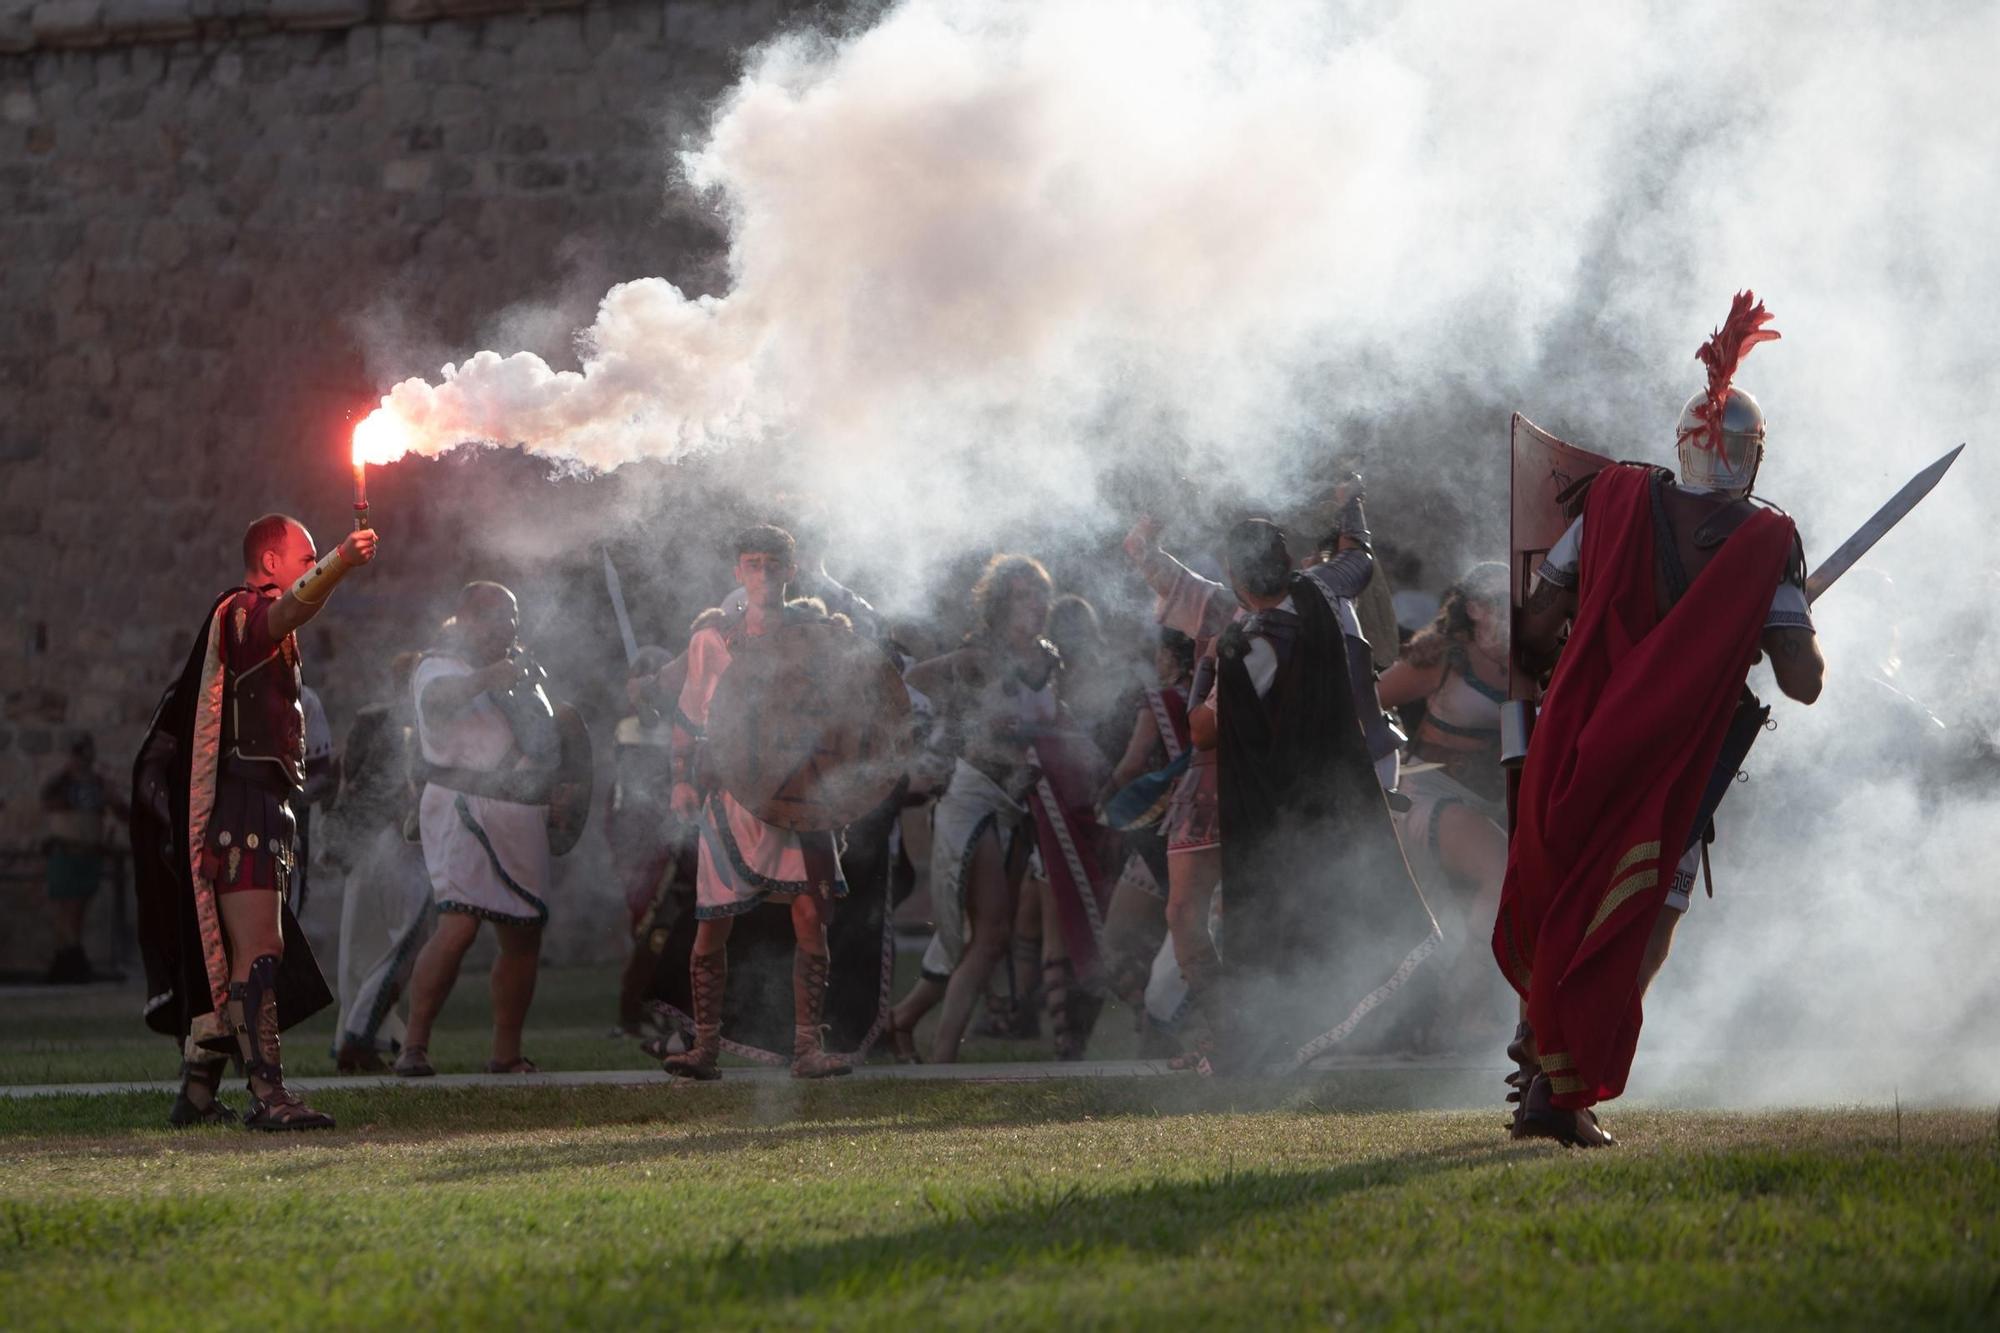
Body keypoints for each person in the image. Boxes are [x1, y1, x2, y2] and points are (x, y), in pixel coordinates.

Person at [1497, 292, 1823, 1147]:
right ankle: (1559, 1089)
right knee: (1644, 917)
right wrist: (1775, 617)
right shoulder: (1764, 539)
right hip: (1676, 757)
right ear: (1752, 459)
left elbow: (1535, 624)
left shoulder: (1609, 501)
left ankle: (1542, 1056)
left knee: (1572, 892)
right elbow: (1803, 682)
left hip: (1582, 736)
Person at [131, 512, 377, 1130]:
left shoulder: (267, 631)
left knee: (241, 953)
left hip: (263, 806)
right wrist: (341, 562)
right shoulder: (242, 611)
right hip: (241, 808)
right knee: (260, 951)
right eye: (306, 555)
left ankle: (196, 1093)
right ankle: (269, 1097)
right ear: (271, 563)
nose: (311, 563)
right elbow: (285, 612)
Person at [1195, 519, 1439, 1073]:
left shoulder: (1247, 646)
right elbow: (1361, 559)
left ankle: (1283, 1040)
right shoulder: (1322, 588)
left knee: (1289, 922)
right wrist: (1349, 506)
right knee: (1342, 908)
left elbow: (1201, 730)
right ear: (1288, 563)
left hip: (1291, 806)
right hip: (1358, 776)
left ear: (1236, 575)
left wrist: (1211, 659)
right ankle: (1337, 1033)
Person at [660, 526, 853, 1080]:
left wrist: (843, 793)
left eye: (774, 564)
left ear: (792, 571)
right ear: (737, 573)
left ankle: (807, 1050)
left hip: (801, 797)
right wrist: (680, 778)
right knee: (712, 926)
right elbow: (689, 717)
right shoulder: (710, 641)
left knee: (811, 917)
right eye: (753, 564)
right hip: (732, 798)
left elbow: (847, 719)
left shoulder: (818, 638)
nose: (764, 574)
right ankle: (706, 1048)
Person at [886, 555, 1060, 1063]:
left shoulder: (1050, 658)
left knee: (986, 937)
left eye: (1041, 594)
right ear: (1002, 603)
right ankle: (942, 1060)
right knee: (988, 937)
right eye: (1026, 595)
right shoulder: (977, 656)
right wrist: (925, 752)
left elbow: (1055, 718)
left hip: (1019, 804)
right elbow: (913, 681)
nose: (1037, 605)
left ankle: (903, 1020)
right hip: (973, 793)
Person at [395, 583, 560, 1077]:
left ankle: (506, 1053)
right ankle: (413, 1047)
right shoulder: (438, 665)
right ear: (466, 620)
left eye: (512, 616)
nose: (508, 626)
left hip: (517, 810)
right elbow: (439, 704)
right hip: (461, 806)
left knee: (523, 935)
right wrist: (490, 676)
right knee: (459, 924)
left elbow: (551, 734)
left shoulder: (521, 673)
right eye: (495, 616)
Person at [1376, 564, 1514, 1047]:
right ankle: (1464, 1010)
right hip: (1422, 795)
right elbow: (1366, 703)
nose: (1509, 609)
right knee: (1501, 871)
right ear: (1473, 609)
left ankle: (1437, 1019)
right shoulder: (1444, 657)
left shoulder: (1528, 661)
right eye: (1496, 600)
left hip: (1480, 807)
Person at [324, 654, 434, 1072]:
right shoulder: (412, 724)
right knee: (409, 941)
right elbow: (406, 784)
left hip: (361, 841)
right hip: (394, 839)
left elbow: (343, 777)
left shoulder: (369, 719)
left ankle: (358, 1042)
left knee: (362, 949)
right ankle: (359, 1037)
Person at [40, 733, 127, 984]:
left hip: (89, 853)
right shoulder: (61, 784)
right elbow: (46, 800)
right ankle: (71, 959)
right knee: (64, 909)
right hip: (65, 852)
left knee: (77, 910)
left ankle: (68, 959)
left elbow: (121, 811)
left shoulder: (99, 785)